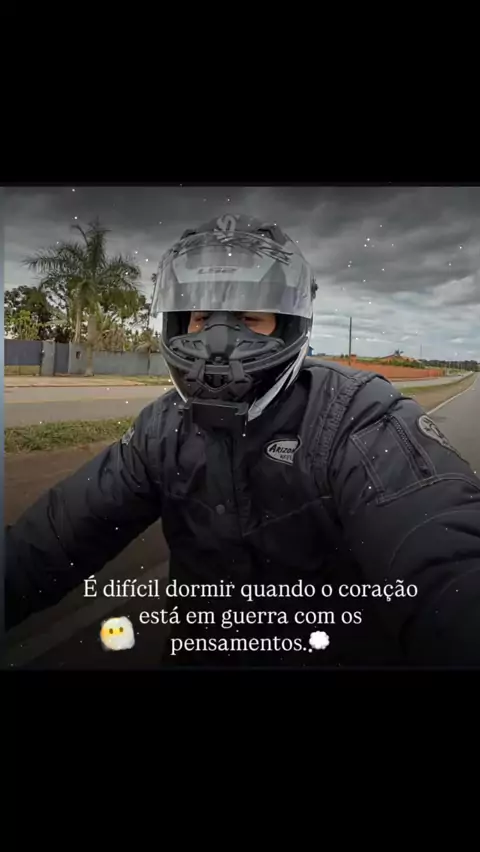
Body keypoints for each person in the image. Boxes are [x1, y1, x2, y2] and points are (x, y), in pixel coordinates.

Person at [5, 213, 480, 667]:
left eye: (249, 318)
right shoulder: (162, 428)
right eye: (201, 317)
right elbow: (51, 540)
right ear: (178, 322)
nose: (217, 343)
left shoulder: (356, 416)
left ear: (289, 326)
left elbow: (441, 556)